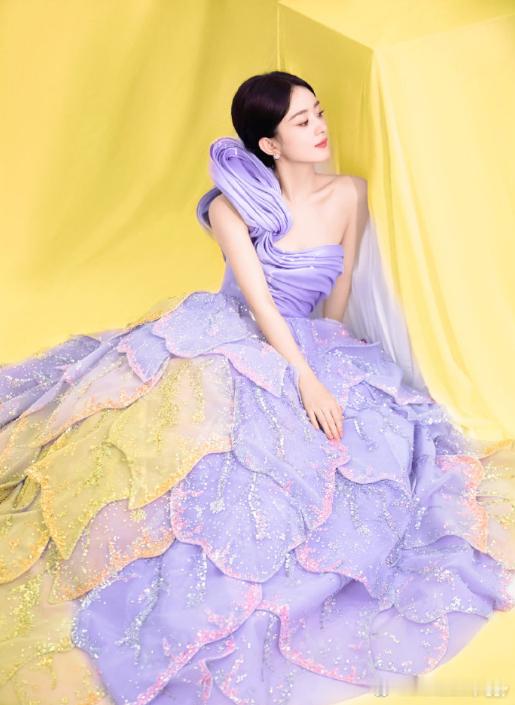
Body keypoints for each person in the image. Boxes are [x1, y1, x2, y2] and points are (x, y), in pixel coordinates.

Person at [0, 70, 513, 705]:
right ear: (269, 144)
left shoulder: (349, 194)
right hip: (234, 332)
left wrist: (331, 362)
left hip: (312, 341)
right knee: (204, 456)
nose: (320, 128)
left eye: (319, 112)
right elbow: (261, 305)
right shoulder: (230, 207)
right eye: (302, 121)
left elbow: (338, 293)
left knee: (363, 460)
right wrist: (303, 378)